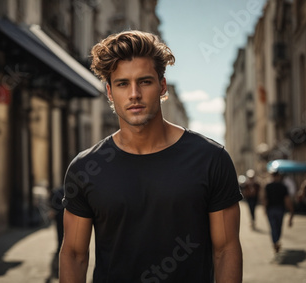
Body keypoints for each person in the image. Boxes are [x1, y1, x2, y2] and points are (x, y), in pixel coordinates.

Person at [60, 30, 243, 283]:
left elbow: (226, 250)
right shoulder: (86, 167)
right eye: (123, 84)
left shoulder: (211, 158)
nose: (134, 94)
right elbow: (74, 254)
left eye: (144, 81)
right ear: (110, 92)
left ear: (162, 86)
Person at [263, 171, 294, 254]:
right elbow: (286, 199)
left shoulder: (268, 186)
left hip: (271, 209)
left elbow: (265, 198)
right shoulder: (283, 186)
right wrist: (291, 210)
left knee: (273, 227)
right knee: (278, 226)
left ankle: (275, 242)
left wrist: (265, 208)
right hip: (280, 209)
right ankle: (276, 241)